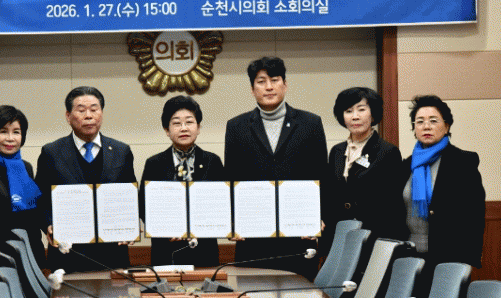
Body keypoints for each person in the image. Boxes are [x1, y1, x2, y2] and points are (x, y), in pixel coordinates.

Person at [224, 56, 328, 279]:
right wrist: (231, 221)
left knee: (301, 296)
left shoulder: (310, 123)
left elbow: (322, 176)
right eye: (261, 81)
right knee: (252, 295)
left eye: (274, 80)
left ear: (285, 84)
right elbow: (231, 179)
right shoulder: (236, 126)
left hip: (299, 235)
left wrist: (319, 217)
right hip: (253, 237)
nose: (269, 87)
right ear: (252, 89)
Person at [36, 86, 136, 272]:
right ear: (68, 116)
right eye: (81, 110)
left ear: (102, 113)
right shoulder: (52, 152)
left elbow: (130, 196)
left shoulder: (121, 151)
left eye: (94, 109)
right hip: (68, 253)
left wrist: (130, 225)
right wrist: (48, 224)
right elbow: (40, 198)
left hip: (113, 252)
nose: (88, 116)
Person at [402, 95, 485, 298]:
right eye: (420, 121)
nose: (426, 126)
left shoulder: (463, 162)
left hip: (449, 256)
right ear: (414, 128)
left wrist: (466, 261)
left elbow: (475, 215)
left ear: (446, 126)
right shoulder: (406, 165)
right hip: (409, 257)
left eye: (433, 120)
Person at [139, 96, 223, 267]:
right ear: (167, 130)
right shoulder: (154, 163)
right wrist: (165, 229)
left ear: (198, 127)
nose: (184, 128)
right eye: (176, 123)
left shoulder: (212, 161)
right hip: (166, 250)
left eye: (189, 122)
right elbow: (143, 205)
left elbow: (222, 203)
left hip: (205, 251)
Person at [322, 87, 405, 249]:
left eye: (361, 110)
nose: (355, 116)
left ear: (372, 114)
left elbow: (393, 206)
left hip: (374, 237)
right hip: (340, 237)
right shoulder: (337, 151)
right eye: (348, 111)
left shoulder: (387, 152)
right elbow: (330, 195)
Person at [0, 105, 45, 278]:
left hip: (25, 262)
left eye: (16, 132)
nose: (10, 138)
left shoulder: (25, 168)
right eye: (3, 132)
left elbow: (31, 222)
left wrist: (40, 263)